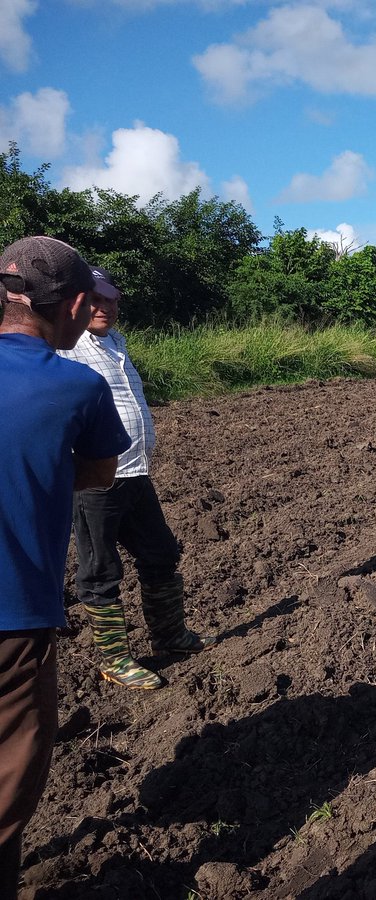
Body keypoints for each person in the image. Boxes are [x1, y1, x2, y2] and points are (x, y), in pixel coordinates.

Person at [0, 237, 131, 900]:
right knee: (9, 776)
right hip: (14, 618)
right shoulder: (78, 385)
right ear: (76, 304)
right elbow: (99, 472)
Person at [59, 267, 214, 690]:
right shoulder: (66, 347)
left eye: (111, 300)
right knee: (100, 570)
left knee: (160, 553)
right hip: (95, 480)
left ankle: (170, 635)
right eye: (95, 300)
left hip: (134, 472)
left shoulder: (116, 343)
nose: (104, 308)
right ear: (76, 302)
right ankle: (114, 659)